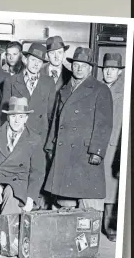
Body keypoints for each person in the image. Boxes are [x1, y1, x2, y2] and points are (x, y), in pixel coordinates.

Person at [44, 47, 113, 212]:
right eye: (76, 64)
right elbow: (56, 120)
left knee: (87, 200)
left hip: (85, 151)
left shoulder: (100, 89)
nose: (79, 68)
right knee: (64, 199)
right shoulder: (65, 89)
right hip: (64, 149)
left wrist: (97, 151)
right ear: (72, 65)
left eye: (84, 64)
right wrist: (50, 145)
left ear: (90, 68)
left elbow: (104, 124)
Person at [0, 97, 45, 253]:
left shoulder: (34, 138)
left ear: (26, 118)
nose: (17, 120)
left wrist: (31, 198)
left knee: (10, 193)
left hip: (19, 181)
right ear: (7, 116)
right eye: (13, 116)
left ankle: (0, 234)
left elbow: (38, 171)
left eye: (21, 116)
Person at [5, 43, 55, 142]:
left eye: (39, 61)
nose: (36, 64)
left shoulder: (49, 82)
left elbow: (51, 114)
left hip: (40, 136)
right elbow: (4, 113)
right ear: (25, 60)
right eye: (33, 60)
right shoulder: (11, 80)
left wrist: (49, 142)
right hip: (17, 135)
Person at [100, 53, 125, 242]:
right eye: (106, 68)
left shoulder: (125, 93)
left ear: (119, 72)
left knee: (110, 189)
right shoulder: (96, 88)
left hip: (113, 146)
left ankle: (109, 227)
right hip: (96, 145)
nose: (109, 72)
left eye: (113, 69)